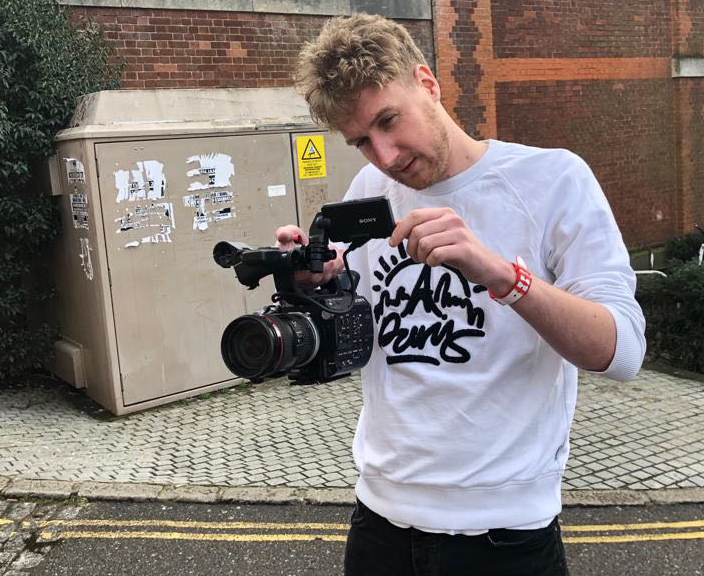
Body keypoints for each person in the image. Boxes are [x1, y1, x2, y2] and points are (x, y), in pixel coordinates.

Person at [275, 13, 645, 576]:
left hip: (505, 537)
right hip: (379, 523)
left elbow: (620, 351)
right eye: (361, 142)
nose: (386, 156)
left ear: (427, 82)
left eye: (389, 122)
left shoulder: (553, 180)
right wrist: (315, 288)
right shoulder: (369, 193)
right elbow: (364, 342)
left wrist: (504, 277)